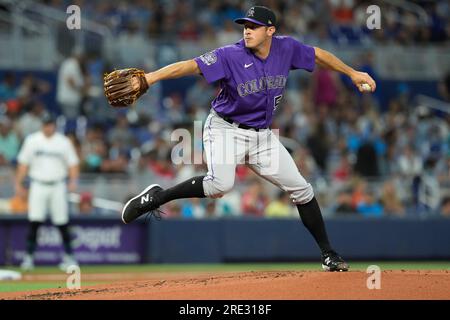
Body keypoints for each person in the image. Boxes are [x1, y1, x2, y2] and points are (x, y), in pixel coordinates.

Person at [120, 6, 376, 271]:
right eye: (245, 26)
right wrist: (150, 78)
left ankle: (328, 255)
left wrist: (352, 73)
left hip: (262, 136)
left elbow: (319, 55)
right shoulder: (230, 55)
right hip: (225, 129)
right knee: (220, 185)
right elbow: (190, 65)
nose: (247, 31)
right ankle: (157, 197)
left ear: (270, 31)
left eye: (253, 26)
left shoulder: (286, 48)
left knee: (302, 190)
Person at [15, 114, 80, 271]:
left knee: (62, 222)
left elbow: (73, 164)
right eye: (45, 124)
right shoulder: (33, 140)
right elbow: (23, 164)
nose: (47, 127)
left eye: (50, 124)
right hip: (37, 184)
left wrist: (73, 181)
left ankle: (69, 257)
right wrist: (18, 184)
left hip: (58, 185)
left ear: (54, 125)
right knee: (34, 222)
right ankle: (29, 257)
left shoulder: (63, 142)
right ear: (41, 125)